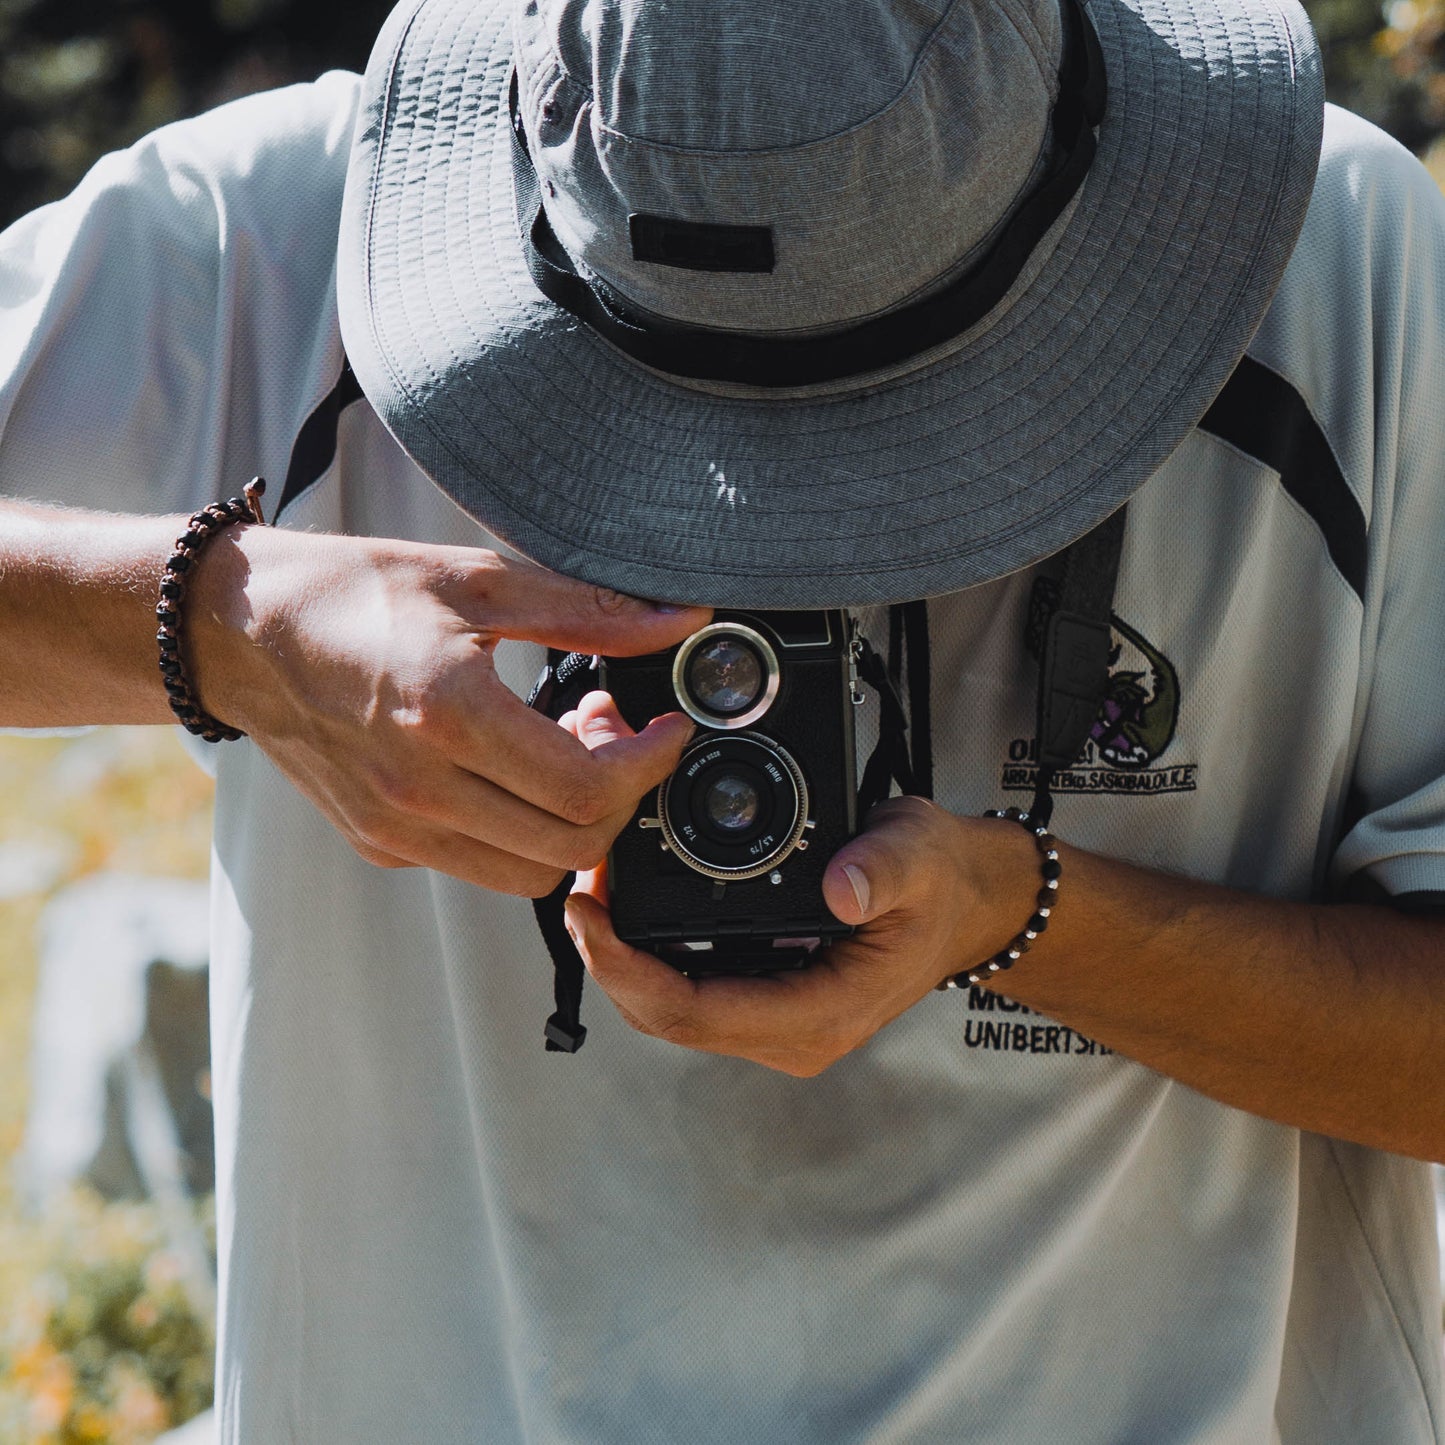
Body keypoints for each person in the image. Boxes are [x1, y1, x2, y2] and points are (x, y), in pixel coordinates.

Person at [2, 0, 1442, 1438]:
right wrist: (219, 621)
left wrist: (1026, 916)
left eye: (913, 434)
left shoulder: (1331, 270)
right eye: (656, 434)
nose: (768, 537)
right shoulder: (280, 248)